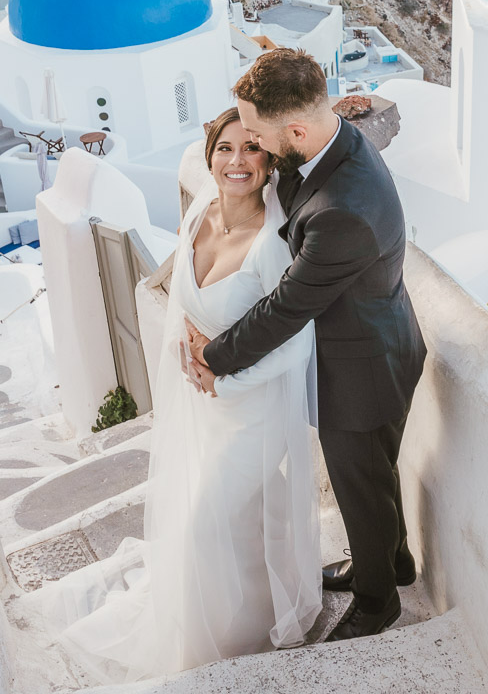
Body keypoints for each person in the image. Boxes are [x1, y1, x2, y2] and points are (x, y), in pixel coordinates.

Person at [24, 108, 322, 685]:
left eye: (251, 150)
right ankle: (255, 604)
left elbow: (293, 350)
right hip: (203, 406)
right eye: (225, 149)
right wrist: (187, 350)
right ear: (208, 156)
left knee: (201, 527)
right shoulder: (198, 215)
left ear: (268, 163)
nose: (237, 162)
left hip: (250, 411)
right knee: (231, 516)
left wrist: (224, 377)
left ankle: (205, 652)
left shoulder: (273, 244)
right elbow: (181, 299)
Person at [186, 49, 426, 641]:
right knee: (373, 472)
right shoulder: (329, 140)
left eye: (261, 137)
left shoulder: (344, 211)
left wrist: (213, 357)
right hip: (373, 335)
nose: (256, 149)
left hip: (364, 362)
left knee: (358, 480)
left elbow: (285, 310)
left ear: (294, 129)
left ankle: (377, 603)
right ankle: (392, 561)